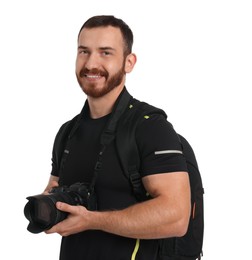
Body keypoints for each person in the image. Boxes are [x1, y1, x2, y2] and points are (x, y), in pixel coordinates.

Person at [44, 15, 191, 260]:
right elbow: (55, 192)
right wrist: (48, 208)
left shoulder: (150, 127)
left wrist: (93, 220)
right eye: (83, 51)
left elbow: (177, 216)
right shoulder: (67, 132)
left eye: (105, 53)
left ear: (129, 62)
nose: (91, 63)